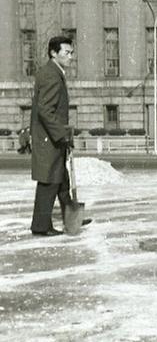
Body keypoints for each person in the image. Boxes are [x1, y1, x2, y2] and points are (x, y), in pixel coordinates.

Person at [30, 36, 90, 236]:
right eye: (67, 53)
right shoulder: (51, 75)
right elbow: (45, 110)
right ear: (53, 53)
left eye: (72, 53)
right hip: (49, 138)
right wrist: (62, 134)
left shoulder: (53, 72)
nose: (70, 57)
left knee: (61, 178)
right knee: (49, 180)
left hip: (50, 137)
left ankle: (71, 216)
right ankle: (40, 226)